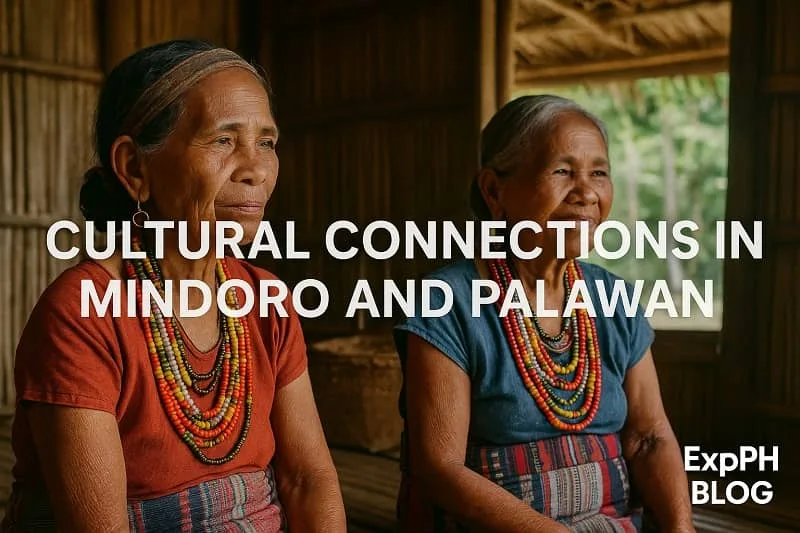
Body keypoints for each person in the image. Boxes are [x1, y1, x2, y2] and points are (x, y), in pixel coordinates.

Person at [3, 39, 347, 533]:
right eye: (224, 140)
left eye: (266, 142)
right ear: (134, 168)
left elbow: (307, 481)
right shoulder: (82, 314)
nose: (255, 170)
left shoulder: (266, 299)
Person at [393, 95, 695, 533]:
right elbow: (440, 469)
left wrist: (680, 530)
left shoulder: (615, 298)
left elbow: (650, 439)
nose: (587, 193)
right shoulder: (449, 301)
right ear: (494, 190)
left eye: (599, 173)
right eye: (562, 171)